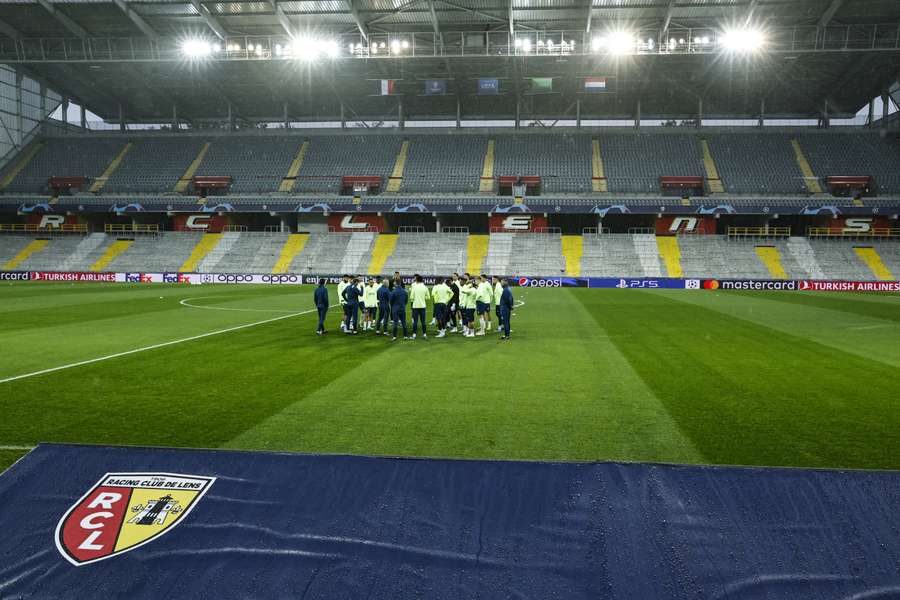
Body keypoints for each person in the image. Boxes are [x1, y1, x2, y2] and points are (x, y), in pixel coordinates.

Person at [409, 274, 429, 339]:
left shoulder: (414, 287)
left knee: (415, 321)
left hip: (415, 306)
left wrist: (416, 298)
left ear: (416, 280)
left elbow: (411, 297)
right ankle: (424, 334)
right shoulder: (425, 287)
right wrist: (423, 298)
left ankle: (414, 335)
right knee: (423, 321)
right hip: (423, 306)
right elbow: (428, 297)